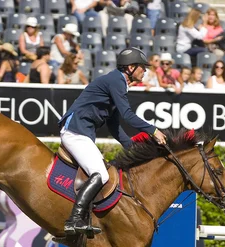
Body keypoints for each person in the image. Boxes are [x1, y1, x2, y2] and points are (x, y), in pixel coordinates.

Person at [57, 47, 166, 236]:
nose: (145, 71)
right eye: (142, 67)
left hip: (81, 132)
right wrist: (153, 130)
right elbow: (127, 115)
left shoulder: (118, 81)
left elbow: (114, 124)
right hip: (75, 131)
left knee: (102, 172)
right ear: (131, 68)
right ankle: (74, 220)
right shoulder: (117, 80)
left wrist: (131, 147)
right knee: (101, 174)